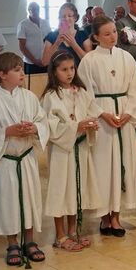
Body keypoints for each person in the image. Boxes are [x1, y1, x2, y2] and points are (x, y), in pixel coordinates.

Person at [78, 15, 136, 236]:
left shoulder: (126, 57)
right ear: (96, 37)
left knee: (122, 164)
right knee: (103, 166)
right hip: (102, 118)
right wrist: (101, 113)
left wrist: (129, 113)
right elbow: (84, 93)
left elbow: (135, 88)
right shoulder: (89, 61)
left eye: (114, 32)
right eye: (107, 34)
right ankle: (104, 217)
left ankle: (116, 216)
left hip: (123, 115)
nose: (112, 37)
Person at [0, 52, 49, 265]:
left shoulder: (29, 97)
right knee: (8, 202)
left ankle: (30, 241)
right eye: (17, 70)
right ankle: (12, 243)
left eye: (21, 69)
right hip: (5, 161)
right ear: (2, 75)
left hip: (25, 158)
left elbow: (42, 121)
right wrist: (7, 131)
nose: (22, 73)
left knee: (29, 199)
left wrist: (34, 128)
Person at [42, 52, 101, 252]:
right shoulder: (51, 97)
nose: (69, 73)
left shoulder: (81, 92)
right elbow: (50, 126)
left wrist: (91, 124)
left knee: (76, 189)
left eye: (72, 68)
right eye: (64, 69)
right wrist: (76, 126)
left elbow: (92, 112)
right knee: (61, 190)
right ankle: (60, 235)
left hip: (80, 148)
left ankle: (73, 230)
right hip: (62, 151)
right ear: (54, 72)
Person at [16, 1, 51, 75]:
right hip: (31, 63)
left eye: (37, 9)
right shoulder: (23, 24)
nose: (36, 11)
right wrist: (35, 61)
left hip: (46, 61)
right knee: (32, 81)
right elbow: (22, 47)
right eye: (33, 9)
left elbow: (50, 41)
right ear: (29, 10)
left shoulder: (45, 23)